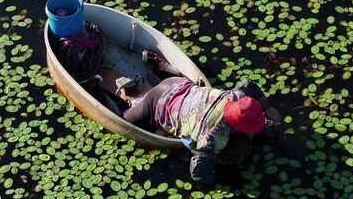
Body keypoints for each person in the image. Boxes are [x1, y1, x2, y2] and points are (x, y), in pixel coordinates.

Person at [119, 53, 279, 185]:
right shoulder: (210, 138)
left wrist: (267, 108)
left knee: (190, 85)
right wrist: (214, 178)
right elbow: (198, 173)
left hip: (177, 83)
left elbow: (250, 85)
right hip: (156, 103)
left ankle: (161, 67)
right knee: (125, 120)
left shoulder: (236, 96)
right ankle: (113, 89)